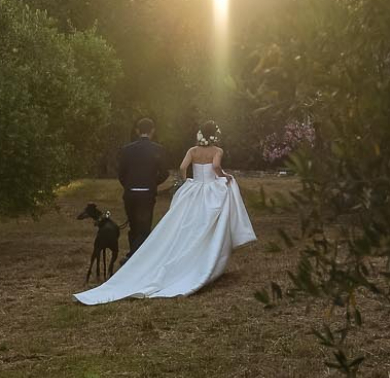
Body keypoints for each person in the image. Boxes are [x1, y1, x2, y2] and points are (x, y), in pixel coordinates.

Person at [75, 121, 256, 304]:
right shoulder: (217, 151)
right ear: (215, 135)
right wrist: (224, 177)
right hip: (207, 190)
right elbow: (216, 167)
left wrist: (188, 182)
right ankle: (202, 256)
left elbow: (183, 168)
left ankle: (139, 259)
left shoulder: (192, 151)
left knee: (180, 225)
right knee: (204, 223)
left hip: (188, 190)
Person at [117, 117, 170, 258]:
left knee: (133, 226)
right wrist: (153, 183)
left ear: (137, 130)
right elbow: (165, 173)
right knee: (144, 227)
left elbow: (121, 174)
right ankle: (140, 257)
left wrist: (129, 185)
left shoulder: (126, 150)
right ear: (152, 130)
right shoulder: (158, 149)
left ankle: (132, 255)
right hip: (147, 193)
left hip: (130, 193)